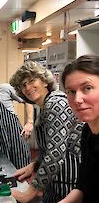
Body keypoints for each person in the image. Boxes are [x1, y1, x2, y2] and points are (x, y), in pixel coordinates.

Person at [9, 61, 82, 203]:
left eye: (31, 81)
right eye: (23, 85)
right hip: (58, 185)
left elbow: (55, 154)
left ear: (44, 81)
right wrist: (34, 165)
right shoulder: (46, 105)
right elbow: (54, 145)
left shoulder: (55, 104)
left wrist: (28, 194)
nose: (28, 87)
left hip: (69, 187)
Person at [58, 54, 99, 203]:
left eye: (87, 88)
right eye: (71, 91)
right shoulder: (87, 132)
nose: (77, 100)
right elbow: (83, 187)